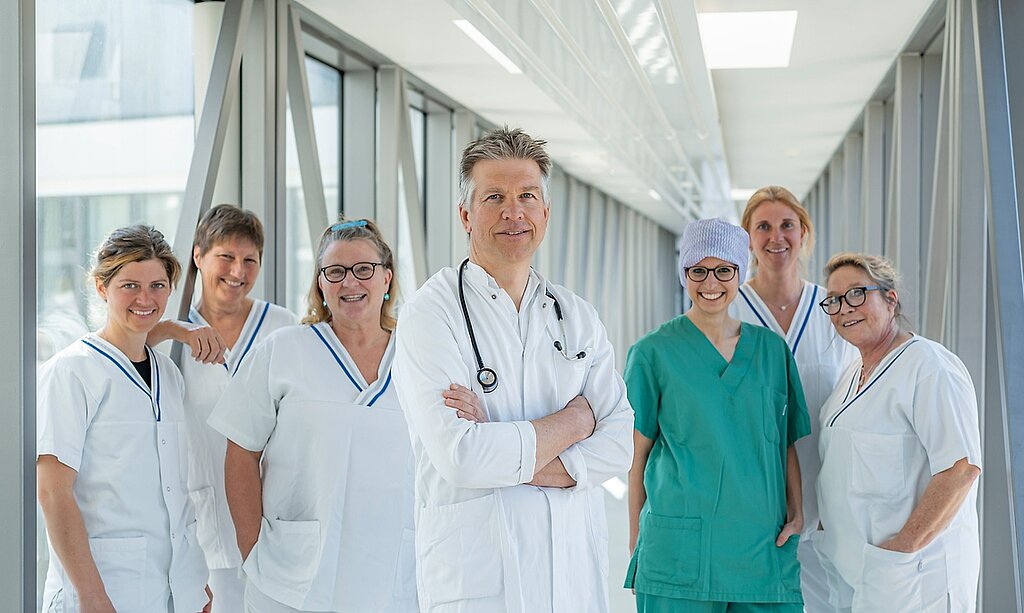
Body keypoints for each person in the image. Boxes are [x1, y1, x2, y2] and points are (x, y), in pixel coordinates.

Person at [393, 126, 634, 612]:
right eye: (494, 197)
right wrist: (576, 422)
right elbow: (462, 457)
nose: (513, 211)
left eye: (527, 195)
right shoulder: (430, 314)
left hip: (570, 582)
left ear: (545, 211)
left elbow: (620, 445)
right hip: (480, 585)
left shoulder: (577, 316)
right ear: (465, 213)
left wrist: (502, 447)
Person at [208, 219, 417, 613]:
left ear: (387, 278)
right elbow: (240, 450)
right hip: (291, 578)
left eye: (364, 270)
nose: (350, 282)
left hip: (392, 573)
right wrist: (251, 547)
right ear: (321, 284)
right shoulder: (284, 351)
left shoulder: (418, 358)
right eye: (335, 272)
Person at [625, 217, 809, 613]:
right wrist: (637, 538)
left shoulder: (772, 351)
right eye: (699, 270)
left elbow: (786, 442)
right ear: (684, 274)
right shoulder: (652, 353)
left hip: (762, 549)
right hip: (678, 553)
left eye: (724, 270)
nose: (711, 282)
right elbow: (636, 457)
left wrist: (798, 513)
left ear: (740, 274)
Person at [37, 225, 211, 613]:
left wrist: (194, 578)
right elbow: (52, 492)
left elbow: (175, 491)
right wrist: (91, 595)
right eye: (130, 285)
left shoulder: (168, 374)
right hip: (104, 590)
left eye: (158, 285)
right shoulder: (72, 372)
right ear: (102, 287)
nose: (145, 298)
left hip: (174, 590)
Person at [813, 253, 982, 612]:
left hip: (913, 577)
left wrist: (902, 550)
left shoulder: (929, 366)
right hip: (859, 574)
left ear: (890, 299)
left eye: (858, 293)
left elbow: (960, 470)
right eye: (834, 300)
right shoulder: (851, 375)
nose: (845, 308)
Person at [148, 204, 295, 610]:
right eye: (226, 257)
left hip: (274, 520)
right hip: (202, 526)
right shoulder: (169, 331)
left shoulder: (282, 328)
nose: (238, 271)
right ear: (198, 256)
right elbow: (124, 352)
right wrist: (176, 330)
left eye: (250, 260)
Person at [730, 186, 855, 611]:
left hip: (830, 496)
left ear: (804, 233)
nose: (775, 236)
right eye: (762, 226)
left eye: (787, 225)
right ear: (747, 237)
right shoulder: (730, 312)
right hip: (755, 499)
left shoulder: (834, 308)